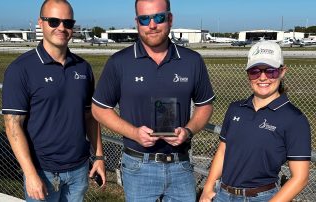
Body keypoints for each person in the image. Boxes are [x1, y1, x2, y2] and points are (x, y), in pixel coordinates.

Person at [91, 0, 215, 201]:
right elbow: (99, 109)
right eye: (144, 19)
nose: (152, 25)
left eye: (158, 17)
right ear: (136, 22)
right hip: (138, 165)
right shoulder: (119, 62)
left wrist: (188, 131)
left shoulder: (192, 60)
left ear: (170, 18)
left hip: (180, 165)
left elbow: (205, 106)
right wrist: (134, 133)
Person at [2, 0, 106, 201]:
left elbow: (90, 117)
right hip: (42, 171)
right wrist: (30, 174)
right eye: (54, 21)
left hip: (79, 170)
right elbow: (12, 126)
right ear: (40, 23)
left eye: (67, 23)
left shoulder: (83, 68)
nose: (61, 28)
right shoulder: (21, 69)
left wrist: (99, 157)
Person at [200, 41, 311, 202]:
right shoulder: (235, 108)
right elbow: (223, 151)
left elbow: (300, 178)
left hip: (262, 197)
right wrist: (208, 187)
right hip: (222, 194)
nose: (263, 78)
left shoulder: (294, 119)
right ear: (248, 74)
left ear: (282, 71)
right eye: (255, 72)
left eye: (271, 71)